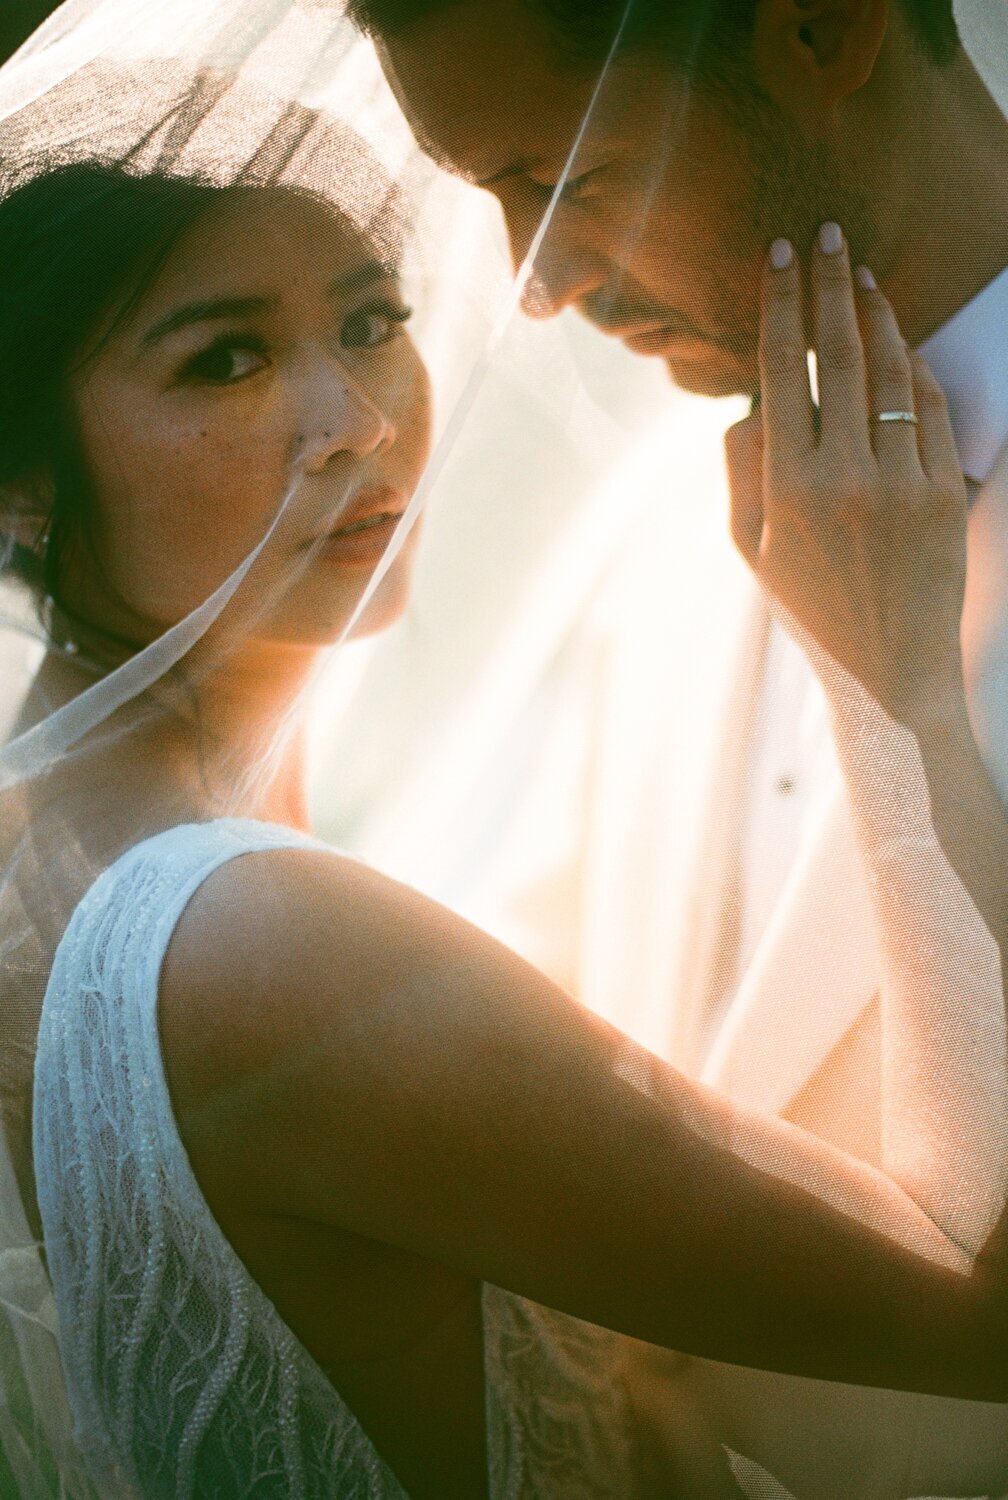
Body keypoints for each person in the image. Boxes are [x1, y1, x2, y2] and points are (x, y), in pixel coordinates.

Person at [0, 14, 1005, 1500]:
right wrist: (897, 688)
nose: (523, 287)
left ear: (822, 26)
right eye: (225, 361)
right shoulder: (251, 934)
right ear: (23, 475)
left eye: (369, 318)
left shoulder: (99, 851)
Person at [344, 0, 1008, 1491]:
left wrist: (897, 700)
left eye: (565, 180)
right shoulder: (658, 531)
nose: (530, 281)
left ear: (823, 31)